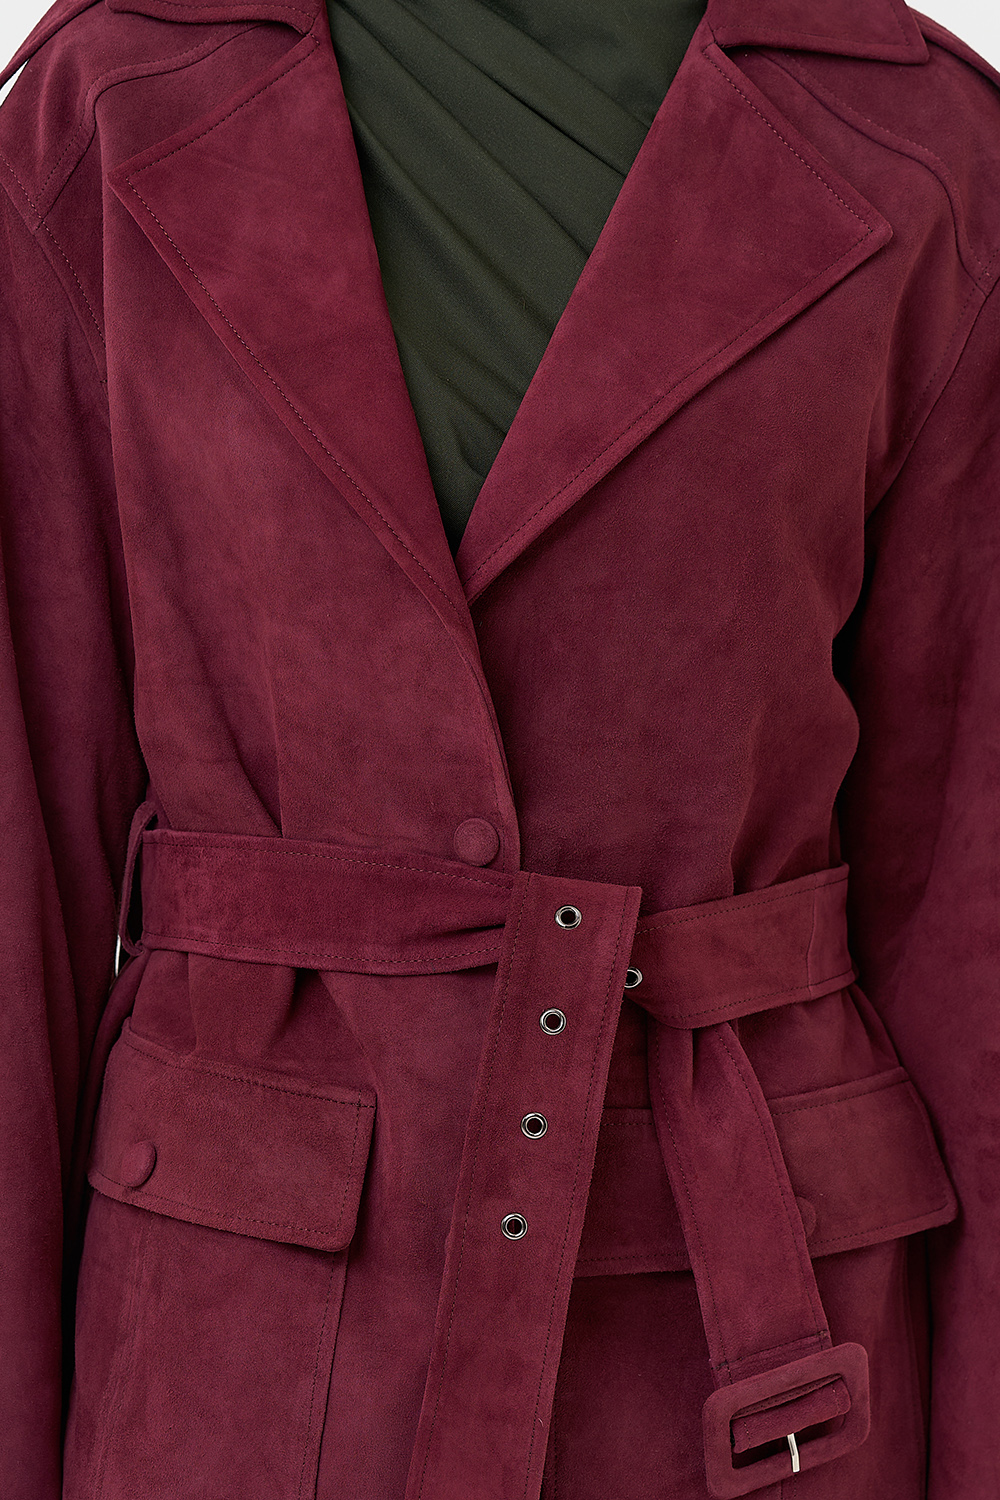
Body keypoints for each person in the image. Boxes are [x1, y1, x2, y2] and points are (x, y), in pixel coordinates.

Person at [0, 0, 997, 1496]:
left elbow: (972, 917)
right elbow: (20, 881)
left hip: (746, 1350)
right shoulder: (113, 105)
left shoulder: (927, 149)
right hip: (242, 1350)